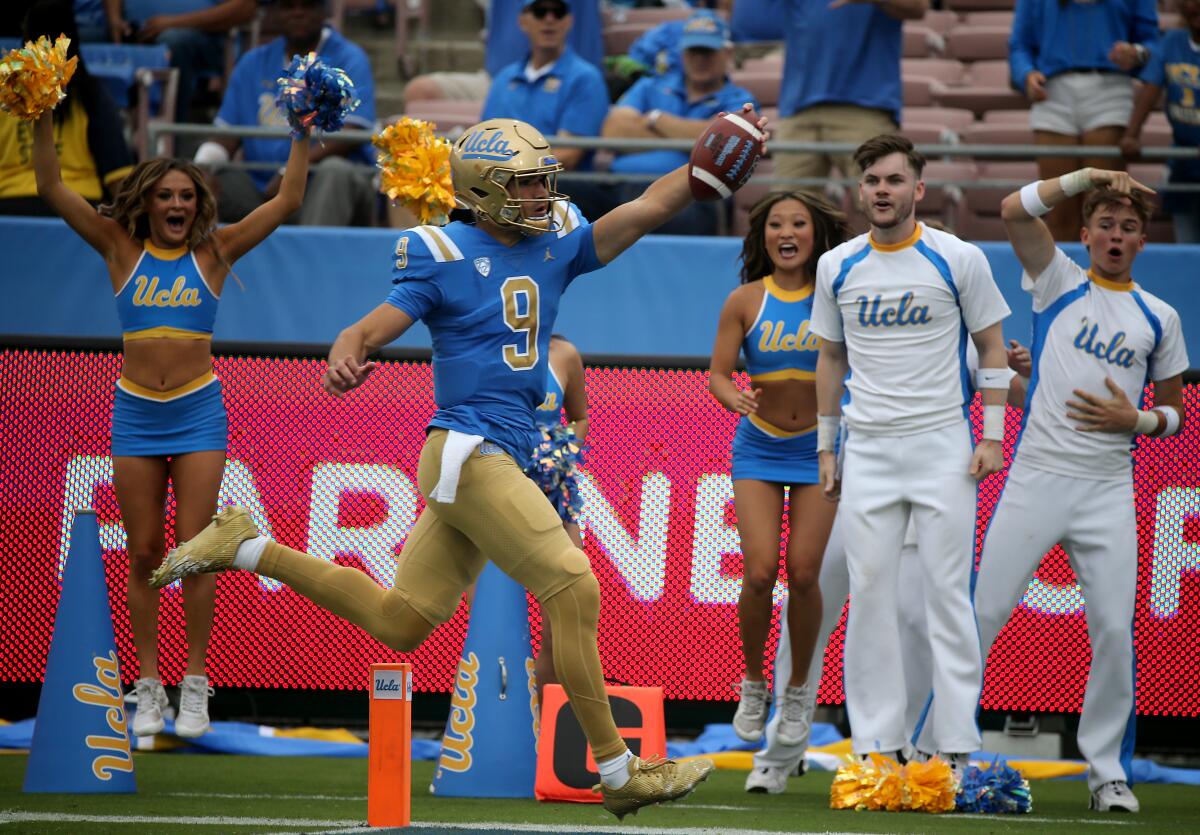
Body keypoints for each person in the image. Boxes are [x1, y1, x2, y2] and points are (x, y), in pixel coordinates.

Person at [149, 111, 767, 819]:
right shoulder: (438, 250)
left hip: (502, 453)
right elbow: (378, 320)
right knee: (573, 582)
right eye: (527, 185)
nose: (542, 197)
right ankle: (620, 768)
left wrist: (702, 170)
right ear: (485, 188)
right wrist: (350, 347)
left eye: (543, 184)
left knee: (402, 620)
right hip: (469, 451)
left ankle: (247, 545)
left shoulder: (557, 237)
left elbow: (649, 206)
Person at [31, 66, 311, 736]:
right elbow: (49, 186)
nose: (178, 204)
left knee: (196, 548)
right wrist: (39, 109)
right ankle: (148, 684)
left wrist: (302, 127)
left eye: (187, 195)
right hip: (135, 413)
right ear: (149, 203)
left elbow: (289, 200)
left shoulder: (215, 252)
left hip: (196, 411)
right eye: (167, 196)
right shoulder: (118, 245)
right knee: (145, 550)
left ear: (198, 204)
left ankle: (195, 683)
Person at [976, 169, 1188, 813]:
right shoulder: (1058, 281)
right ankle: (938, 756)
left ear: (1142, 241)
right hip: (1036, 476)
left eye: (1129, 228)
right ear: (1087, 234)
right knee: (979, 617)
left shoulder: (1160, 315)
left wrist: (1140, 420)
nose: (1116, 237)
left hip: (1107, 489)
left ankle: (1107, 776)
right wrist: (1089, 177)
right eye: (1105, 225)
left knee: (1113, 632)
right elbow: (1014, 209)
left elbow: (1175, 414)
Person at [810, 134, 1011, 778]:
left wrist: (993, 434)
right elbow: (830, 358)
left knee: (947, 596)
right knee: (869, 596)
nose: (883, 190)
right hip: (865, 449)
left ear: (917, 189)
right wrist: (826, 446)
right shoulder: (836, 264)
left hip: (942, 447)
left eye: (895, 180)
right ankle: (876, 746)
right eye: (872, 180)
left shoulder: (959, 259)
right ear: (858, 189)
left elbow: (994, 348)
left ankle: (952, 745)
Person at [747, 340, 1033, 793]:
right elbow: (818, 372)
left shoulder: (953, 315)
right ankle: (780, 750)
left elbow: (1016, 391)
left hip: (923, 492)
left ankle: (907, 760)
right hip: (845, 485)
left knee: (916, 626)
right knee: (804, 612)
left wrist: (1017, 373)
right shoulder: (858, 307)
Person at [707, 191, 847, 746]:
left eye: (799, 223)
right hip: (758, 448)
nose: (787, 233)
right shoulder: (744, 299)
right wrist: (732, 396)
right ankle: (753, 681)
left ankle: (797, 690)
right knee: (761, 571)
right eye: (776, 224)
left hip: (820, 449)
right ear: (763, 236)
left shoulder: (837, 296)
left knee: (805, 573)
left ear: (816, 236)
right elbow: (718, 372)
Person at [193, 0, 376, 226]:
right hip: (262, 185)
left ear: (324, 11)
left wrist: (289, 173)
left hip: (318, 185)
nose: (297, 13)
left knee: (334, 171)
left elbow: (350, 134)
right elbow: (226, 134)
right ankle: (207, 259)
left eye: (307, 6)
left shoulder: (349, 58)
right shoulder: (253, 62)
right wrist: (200, 168)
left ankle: (314, 258)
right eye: (288, 6)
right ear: (273, 13)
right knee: (203, 182)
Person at [1009, 0, 1158, 242]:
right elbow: (1020, 44)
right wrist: (1026, 74)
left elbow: (1152, 42)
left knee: (1104, 209)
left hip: (1111, 87)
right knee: (1058, 210)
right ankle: (1061, 280)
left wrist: (1137, 53)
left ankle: (1102, 279)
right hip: (1052, 88)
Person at [596, 13, 756, 235]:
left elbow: (720, 150)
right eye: (693, 51)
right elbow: (612, 132)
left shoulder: (739, 100)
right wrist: (694, 137)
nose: (699, 59)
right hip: (619, 186)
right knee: (566, 196)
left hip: (689, 195)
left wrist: (655, 119)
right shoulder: (650, 85)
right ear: (682, 54)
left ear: (727, 53)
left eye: (707, 51)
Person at [773, 0, 926, 195]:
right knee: (786, 206)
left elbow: (919, 7)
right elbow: (749, 25)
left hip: (864, 106)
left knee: (882, 205)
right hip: (798, 107)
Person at [0, 0, 134, 216]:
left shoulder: (3, 89)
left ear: (24, 41)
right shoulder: (94, 95)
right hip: (79, 208)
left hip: (7, 204)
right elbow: (119, 178)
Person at [527, 333, 588, 700]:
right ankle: (493, 725)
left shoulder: (563, 352)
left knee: (566, 615)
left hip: (554, 498)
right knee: (494, 625)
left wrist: (558, 456)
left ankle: (545, 729)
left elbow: (579, 418)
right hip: (493, 493)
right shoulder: (484, 341)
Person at [480, 0, 609, 172]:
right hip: (502, 182)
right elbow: (483, 142)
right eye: (540, 11)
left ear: (569, 21)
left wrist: (512, 173)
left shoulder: (586, 78)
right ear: (523, 21)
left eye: (558, 12)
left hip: (557, 189)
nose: (549, 19)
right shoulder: (504, 77)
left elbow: (568, 155)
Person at [1120, 0, 1200, 243]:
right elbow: (1150, 89)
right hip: (1184, 160)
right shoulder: (1172, 42)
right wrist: (1131, 135)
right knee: (1188, 247)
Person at [105, 0, 256, 122]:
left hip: (201, 37)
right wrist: (114, 20)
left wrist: (173, 23)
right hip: (129, 35)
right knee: (84, 39)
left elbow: (245, 7)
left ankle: (166, 143)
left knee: (174, 41)